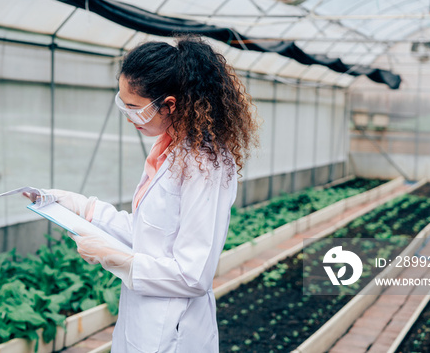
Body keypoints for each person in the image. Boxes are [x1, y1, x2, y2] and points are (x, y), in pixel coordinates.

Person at [29, 35, 259, 352]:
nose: (127, 115)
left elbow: (193, 276)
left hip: (172, 330)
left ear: (169, 105)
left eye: (135, 107)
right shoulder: (168, 148)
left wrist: (118, 259)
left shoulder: (205, 166)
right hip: (141, 321)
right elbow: (152, 233)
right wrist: (84, 208)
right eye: (122, 102)